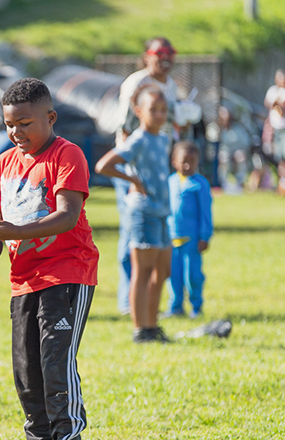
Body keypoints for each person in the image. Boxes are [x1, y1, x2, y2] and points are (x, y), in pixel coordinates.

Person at [0, 78, 99, 440]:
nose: (16, 133)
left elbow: (67, 215)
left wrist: (12, 232)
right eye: (9, 125)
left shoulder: (68, 155)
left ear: (50, 118)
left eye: (25, 123)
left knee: (55, 366)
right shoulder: (4, 163)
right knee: (26, 370)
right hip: (22, 281)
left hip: (67, 273)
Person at [96, 85, 172, 343]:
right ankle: (140, 329)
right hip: (143, 212)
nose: (160, 115)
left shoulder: (163, 139)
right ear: (139, 111)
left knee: (162, 271)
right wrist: (132, 179)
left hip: (163, 212)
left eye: (164, 110)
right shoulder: (137, 139)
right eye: (154, 110)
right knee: (143, 271)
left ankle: (152, 325)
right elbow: (104, 165)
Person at [114, 36, 179, 315]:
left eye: (170, 53)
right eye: (159, 53)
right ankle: (129, 300)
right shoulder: (135, 83)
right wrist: (133, 176)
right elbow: (127, 128)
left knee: (158, 245)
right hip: (132, 168)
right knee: (132, 236)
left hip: (157, 169)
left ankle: (147, 307)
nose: (165, 58)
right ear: (146, 56)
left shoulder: (171, 85)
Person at [166, 141, 212, 318]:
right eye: (184, 161)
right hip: (171, 237)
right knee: (173, 275)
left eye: (192, 161)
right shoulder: (170, 182)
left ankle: (196, 306)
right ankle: (175, 306)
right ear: (174, 161)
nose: (187, 165)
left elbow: (205, 213)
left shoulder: (200, 184)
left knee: (193, 276)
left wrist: (205, 235)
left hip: (192, 239)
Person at [216, 106, 252, 193]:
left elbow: (246, 143)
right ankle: (223, 182)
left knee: (240, 157)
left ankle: (240, 182)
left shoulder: (238, 128)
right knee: (223, 158)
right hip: (224, 152)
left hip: (237, 151)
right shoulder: (218, 129)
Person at [264, 69, 285, 196]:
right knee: (277, 156)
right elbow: (269, 105)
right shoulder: (273, 91)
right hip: (273, 128)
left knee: (283, 155)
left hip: (283, 129)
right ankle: (280, 183)